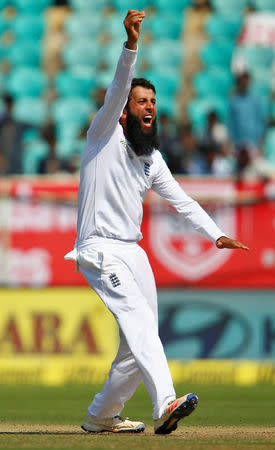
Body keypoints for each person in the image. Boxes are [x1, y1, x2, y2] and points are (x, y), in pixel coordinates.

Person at [65, 10, 249, 435]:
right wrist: (130, 46)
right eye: (140, 102)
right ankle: (165, 402)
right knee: (141, 322)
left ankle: (100, 416)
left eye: (152, 103)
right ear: (123, 113)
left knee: (135, 345)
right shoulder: (104, 134)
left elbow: (182, 201)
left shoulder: (151, 159)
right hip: (99, 248)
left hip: (133, 251)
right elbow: (116, 88)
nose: (149, 107)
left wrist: (216, 234)